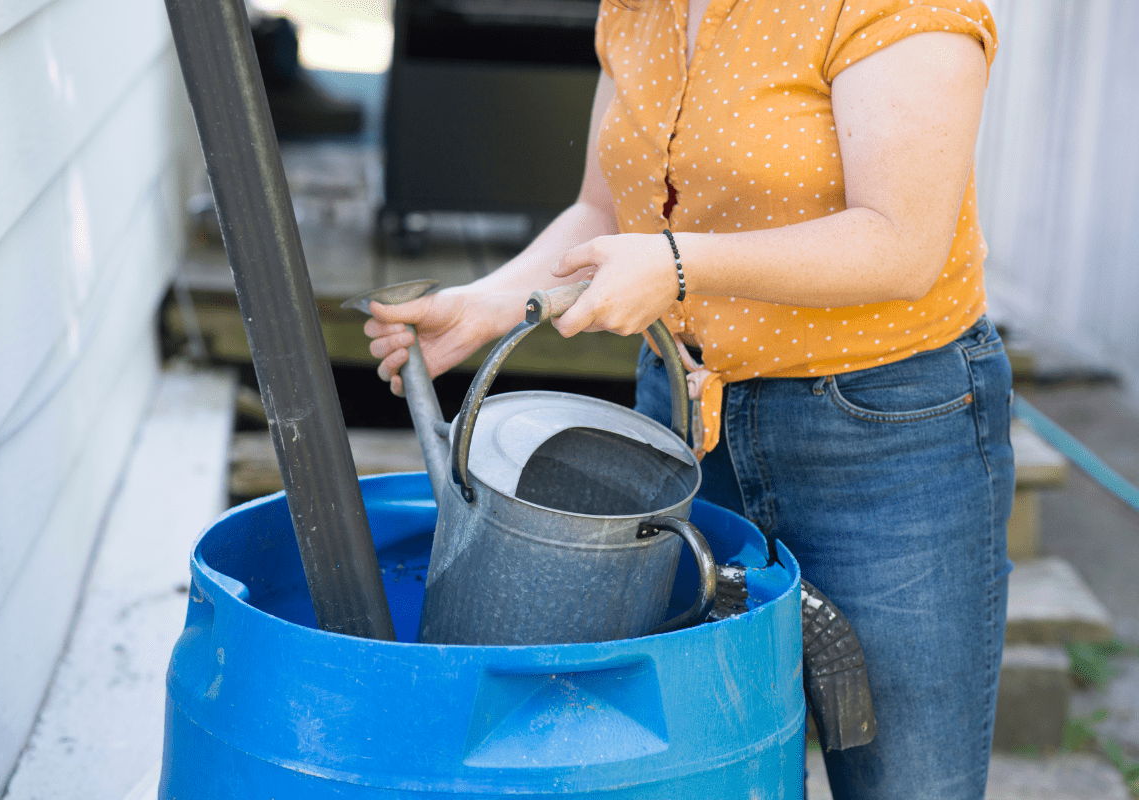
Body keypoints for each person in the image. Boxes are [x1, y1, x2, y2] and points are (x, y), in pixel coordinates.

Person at [363, 1, 1012, 797]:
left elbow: (901, 242)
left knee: (906, 781)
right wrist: (493, 303)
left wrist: (675, 266)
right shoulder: (641, 7)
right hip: (684, 423)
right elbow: (603, 212)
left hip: (883, 430)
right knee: (691, 767)